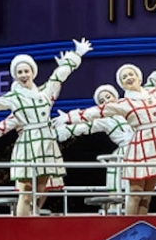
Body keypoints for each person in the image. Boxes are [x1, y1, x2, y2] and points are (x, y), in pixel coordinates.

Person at [0, 38, 92, 216]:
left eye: (26, 70)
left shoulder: (44, 93)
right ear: (15, 75)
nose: (23, 74)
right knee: (26, 191)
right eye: (19, 72)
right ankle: (23, 225)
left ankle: (33, 218)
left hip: (47, 144)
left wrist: (76, 54)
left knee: (42, 188)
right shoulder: (13, 98)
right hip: (28, 144)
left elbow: (59, 76)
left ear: (33, 72)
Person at [54, 37, 156, 215]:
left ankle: (142, 228)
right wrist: (69, 117)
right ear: (121, 83)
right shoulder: (124, 103)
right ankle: (129, 229)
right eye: (124, 77)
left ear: (139, 77)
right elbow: (96, 112)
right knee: (136, 194)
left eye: (131, 74)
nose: (129, 78)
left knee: (147, 195)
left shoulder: (155, 92)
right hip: (139, 146)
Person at [56, 84, 135, 213]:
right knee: (116, 183)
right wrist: (65, 129)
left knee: (138, 189)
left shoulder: (130, 109)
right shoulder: (104, 121)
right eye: (102, 101)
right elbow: (86, 126)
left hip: (139, 151)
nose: (106, 101)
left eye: (108, 97)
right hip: (122, 154)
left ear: (116, 97)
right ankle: (114, 209)